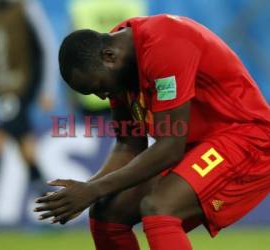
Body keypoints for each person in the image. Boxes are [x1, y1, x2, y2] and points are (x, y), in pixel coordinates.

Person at [35, 14, 270, 250]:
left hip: (247, 139)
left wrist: (93, 189)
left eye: (98, 87)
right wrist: (86, 190)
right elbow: (129, 144)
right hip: (195, 146)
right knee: (106, 212)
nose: (102, 97)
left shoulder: (165, 46)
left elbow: (170, 147)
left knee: (159, 208)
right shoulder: (117, 55)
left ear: (109, 57)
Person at [0, 0, 58, 221]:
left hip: (22, 88)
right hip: (4, 91)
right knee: (24, 145)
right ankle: (51, 202)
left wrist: (47, 89)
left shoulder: (27, 8)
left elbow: (46, 48)